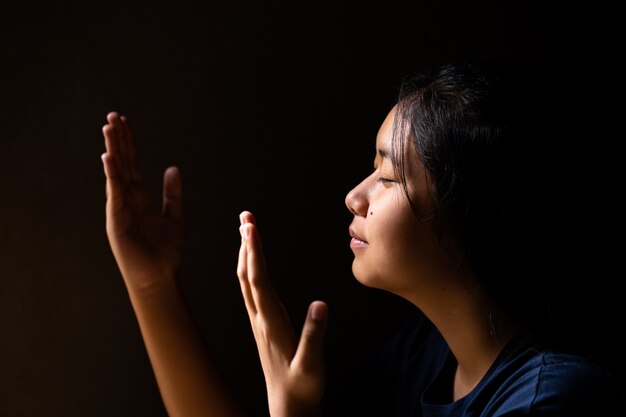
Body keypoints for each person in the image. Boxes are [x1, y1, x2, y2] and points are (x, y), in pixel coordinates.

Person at [100, 59, 625, 417]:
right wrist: (151, 286)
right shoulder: (424, 358)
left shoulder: (550, 400)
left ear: (469, 218)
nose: (355, 196)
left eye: (390, 177)